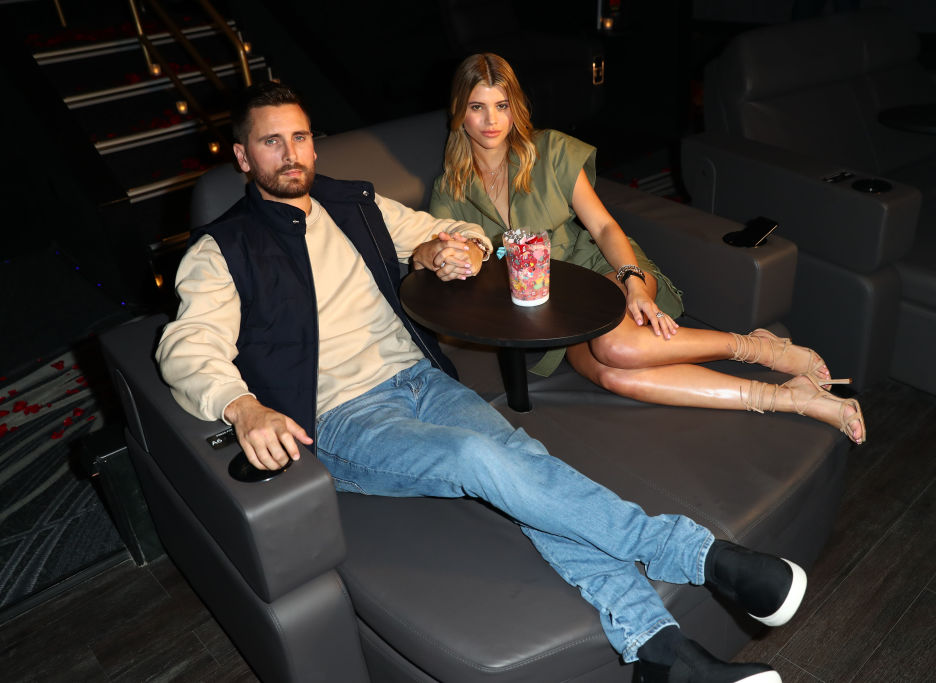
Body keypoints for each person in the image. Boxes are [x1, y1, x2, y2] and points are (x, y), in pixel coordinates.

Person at [157, 80, 806, 683]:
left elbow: (456, 231)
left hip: (420, 380)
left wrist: (448, 250)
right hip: (343, 417)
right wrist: (243, 406)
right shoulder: (223, 249)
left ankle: (661, 652)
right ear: (243, 156)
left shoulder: (351, 201)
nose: (290, 153)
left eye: (299, 137)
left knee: (524, 467)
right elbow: (187, 347)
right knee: (481, 456)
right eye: (271, 141)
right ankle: (700, 555)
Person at [430, 53, 866, 444]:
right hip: (554, 317)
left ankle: (759, 349)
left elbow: (603, 226)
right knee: (612, 375)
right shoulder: (451, 188)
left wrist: (634, 282)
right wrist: (446, 259)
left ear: (516, 108)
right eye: (477, 106)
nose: (491, 120)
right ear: (459, 112)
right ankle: (792, 399)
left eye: (502, 105)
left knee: (617, 349)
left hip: (604, 269)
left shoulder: (550, 150)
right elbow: (444, 254)